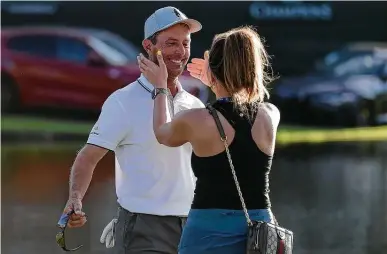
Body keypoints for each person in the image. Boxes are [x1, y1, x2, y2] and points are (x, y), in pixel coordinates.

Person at [61, 6, 204, 254]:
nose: (180, 52)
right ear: (148, 46)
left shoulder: (194, 103)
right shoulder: (122, 101)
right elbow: (88, 156)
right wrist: (75, 197)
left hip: (192, 227)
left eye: (185, 43)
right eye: (171, 43)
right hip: (143, 228)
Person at [138, 25, 280, 254]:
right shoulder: (271, 114)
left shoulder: (197, 120)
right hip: (261, 228)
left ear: (212, 72)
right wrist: (217, 80)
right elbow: (239, 106)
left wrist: (161, 87)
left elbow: (162, 133)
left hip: (210, 229)